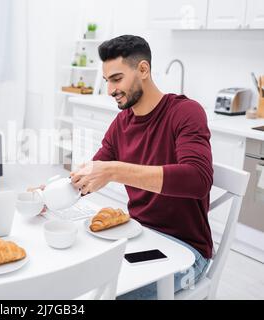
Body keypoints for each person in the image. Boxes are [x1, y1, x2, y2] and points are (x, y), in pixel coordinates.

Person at [69, 35, 213, 299]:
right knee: (78, 281)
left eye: (117, 78)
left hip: (185, 252)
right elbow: (92, 173)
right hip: (138, 236)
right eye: (108, 81)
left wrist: (114, 170)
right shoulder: (122, 123)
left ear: (143, 70)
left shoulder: (186, 112)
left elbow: (198, 179)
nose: (111, 89)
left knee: (104, 295)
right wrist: (52, 193)